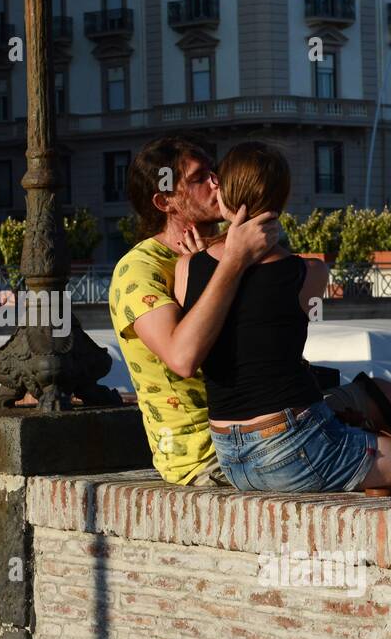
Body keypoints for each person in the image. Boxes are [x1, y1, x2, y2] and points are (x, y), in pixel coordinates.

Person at [175, 141, 391, 495]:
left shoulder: (187, 267)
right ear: (282, 198)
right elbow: (279, 335)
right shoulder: (309, 273)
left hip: (232, 458)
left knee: (371, 409)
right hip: (294, 447)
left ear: (219, 186)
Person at [108, 135, 281, 485]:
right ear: (164, 200)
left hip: (260, 422)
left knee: (380, 397)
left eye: (214, 171)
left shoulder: (231, 248)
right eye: (199, 178)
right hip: (206, 454)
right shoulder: (139, 270)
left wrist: (223, 259)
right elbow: (182, 357)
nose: (217, 182)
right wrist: (227, 265)